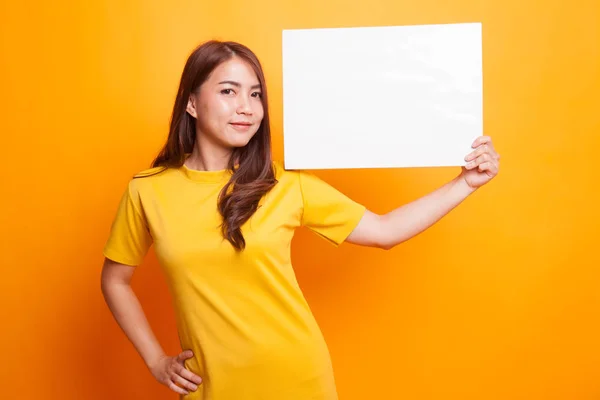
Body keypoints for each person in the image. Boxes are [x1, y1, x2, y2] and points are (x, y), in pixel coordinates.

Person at [100, 40, 500, 400]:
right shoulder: (148, 191)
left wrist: (466, 183)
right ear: (191, 102)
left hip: (297, 380)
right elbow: (115, 280)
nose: (246, 107)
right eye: (228, 91)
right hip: (211, 387)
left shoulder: (286, 186)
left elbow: (385, 230)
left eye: (256, 94)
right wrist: (155, 360)